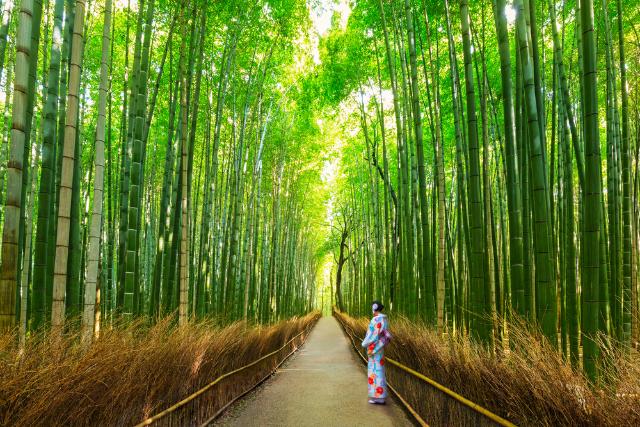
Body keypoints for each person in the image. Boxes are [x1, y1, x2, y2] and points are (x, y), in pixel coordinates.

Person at [361, 300, 389, 404]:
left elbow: (372, 335)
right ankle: (381, 397)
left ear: (374, 308)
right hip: (380, 347)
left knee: (373, 372)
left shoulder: (375, 320)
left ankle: (376, 397)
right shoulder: (384, 319)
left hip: (373, 348)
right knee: (380, 370)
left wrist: (364, 343)